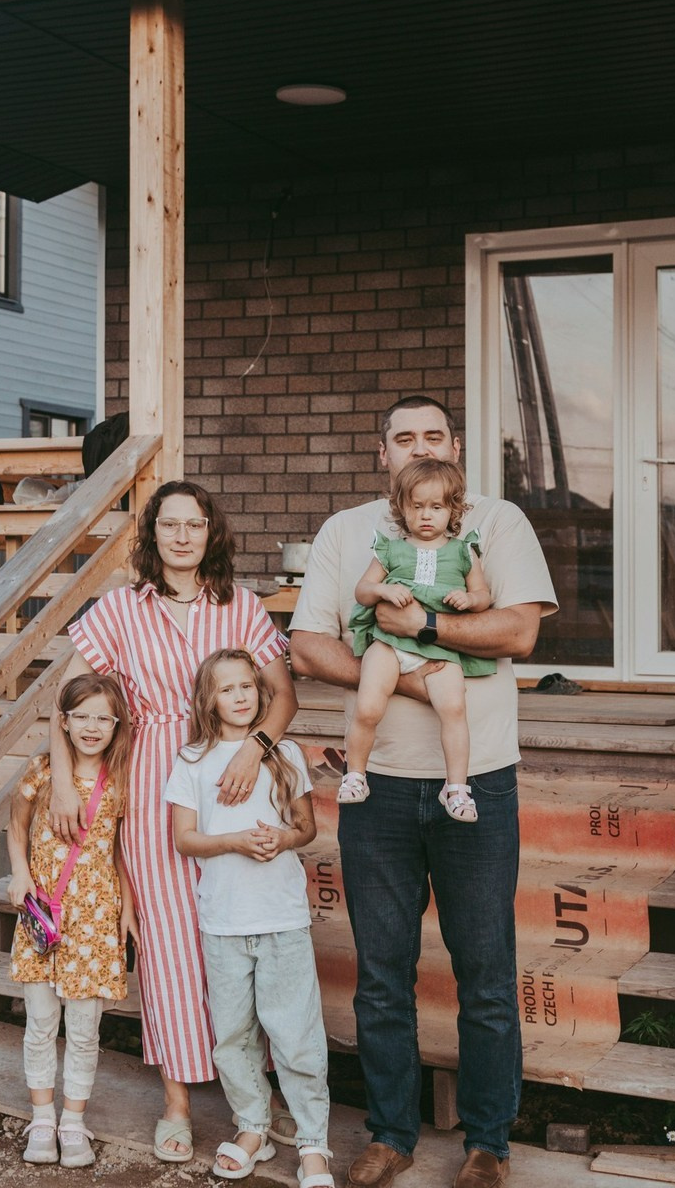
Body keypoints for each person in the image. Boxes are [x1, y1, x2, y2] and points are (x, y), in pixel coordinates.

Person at [289, 396, 557, 1188]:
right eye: (402, 438)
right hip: (374, 791)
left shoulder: (497, 522)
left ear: (455, 446)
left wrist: (424, 634)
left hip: (474, 783)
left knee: (483, 969)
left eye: (431, 436)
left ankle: (487, 1144)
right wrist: (414, 682)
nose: (417, 448)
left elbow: (518, 633)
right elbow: (308, 644)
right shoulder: (349, 532)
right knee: (382, 972)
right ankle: (391, 1133)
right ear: (383, 454)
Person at [44, 480, 298, 1162]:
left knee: (244, 933)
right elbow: (64, 698)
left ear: (213, 534)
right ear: (152, 536)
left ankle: (257, 1098)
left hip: (236, 780)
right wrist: (66, 779)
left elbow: (282, 695)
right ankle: (178, 1104)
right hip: (153, 780)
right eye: (170, 525)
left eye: (196, 524)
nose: (183, 536)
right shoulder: (120, 610)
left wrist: (256, 747)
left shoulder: (241, 607)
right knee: (169, 944)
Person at [166, 648, 333, 1188]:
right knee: (233, 1034)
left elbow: (306, 828)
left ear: (262, 694)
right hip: (224, 922)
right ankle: (253, 1126)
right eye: (227, 689)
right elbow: (184, 838)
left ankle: (312, 1141)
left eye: (247, 686)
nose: (240, 696)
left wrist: (284, 837)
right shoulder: (192, 760)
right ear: (208, 700)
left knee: (294, 1033)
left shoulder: (284, 752)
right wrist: (235, 841)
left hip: (282, 917)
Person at [5, 673, 138, 1168]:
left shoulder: (122, 780)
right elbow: (15, 824)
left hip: (95, 921)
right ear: (63, 722)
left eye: (103, 717)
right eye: (81, 716)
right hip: (44, 915)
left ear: (116, 724)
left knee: (84, 1030)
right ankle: (42, 1119)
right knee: (41, 1023)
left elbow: (122, 852)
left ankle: (74, 1121)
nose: (91, 726)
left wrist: (127, 906)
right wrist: (19, 873)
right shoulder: (42, 771)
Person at [343, 456, 494, 822]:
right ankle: (355, 774)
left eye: (437, 507)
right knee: (368, 706)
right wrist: (383, 589)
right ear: (401, 509)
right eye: (417, 506)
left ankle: (456, 788)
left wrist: (469, 599)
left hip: (439, 650)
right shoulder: (391, 550)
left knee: (454, 710)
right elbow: (362, 591)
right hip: (390, 646)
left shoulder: (463, 551)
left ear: (453, 509)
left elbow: (483, 595)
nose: (426, 515)